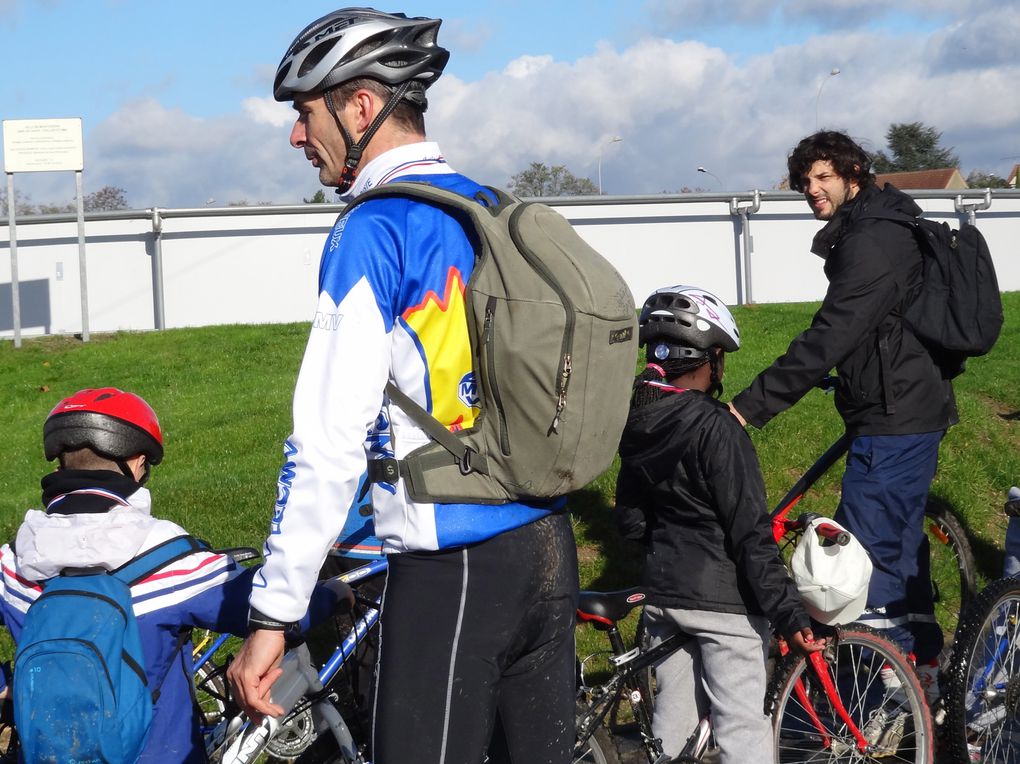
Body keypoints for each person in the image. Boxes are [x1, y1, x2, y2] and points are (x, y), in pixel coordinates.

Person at [226, 9, 578, 764]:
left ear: (360, 106)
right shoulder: (490, 209)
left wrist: (273, 617)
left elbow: (325, 443)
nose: (296, 135)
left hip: (451, 567)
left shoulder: (375, 229)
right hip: (548, 545)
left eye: (304, 111)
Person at [0, 387, 350, 763]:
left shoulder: (13, 562)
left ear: (59, 466)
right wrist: (333, 593)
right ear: (136, 464)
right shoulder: (166, 555)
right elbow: (268, 607)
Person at [729, 131, 958, 687]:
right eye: (805, 181)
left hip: (894, 414)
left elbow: (832, 333)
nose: (812, 190)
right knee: (900, 547)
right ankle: (921, 668)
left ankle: (872, 698)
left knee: (866, 560)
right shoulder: (879, 222)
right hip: (904, 405)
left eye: (824, 177)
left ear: (853, 174)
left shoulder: (872, 240)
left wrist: (748, 408)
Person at [614, 285, 823, 763]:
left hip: (663, 599)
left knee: (672, 733)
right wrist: (789, 613)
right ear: (709, 362)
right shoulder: (718, 429)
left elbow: (629, 522)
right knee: (743, 731)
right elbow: (750, 534)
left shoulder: (638, 422)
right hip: (724, 606)